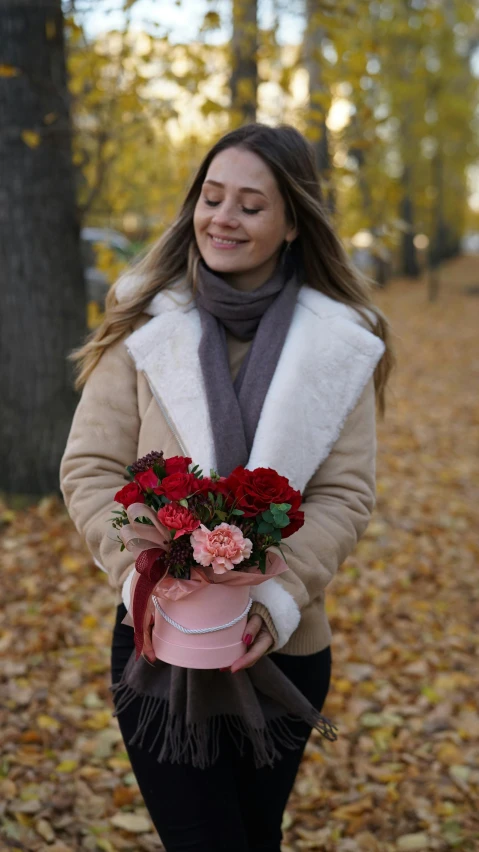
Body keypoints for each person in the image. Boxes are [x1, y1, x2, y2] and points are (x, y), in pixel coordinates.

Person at [59, 123, 394, 851]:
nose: (223, 218)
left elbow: (343, 496)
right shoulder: (146, 323)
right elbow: (88, 469)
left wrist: (274, 598)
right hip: (155, 644)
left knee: (252, 836)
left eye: (249, 205)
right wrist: (141, 572)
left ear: (290, 223)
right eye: (212, 198)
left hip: (286, 646)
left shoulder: (339, 346)